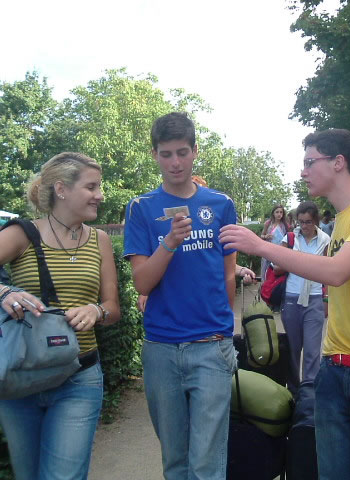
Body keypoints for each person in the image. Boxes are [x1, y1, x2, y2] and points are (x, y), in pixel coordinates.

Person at [220, 128, 350, 480]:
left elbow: (336, 272)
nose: (303, 171)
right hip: (336, 368)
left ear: (338, 162)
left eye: (310, 162)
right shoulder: (342, 219)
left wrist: (261, 246)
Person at [0, 152, 120, 479]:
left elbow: (113, 308)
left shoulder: (101, 241)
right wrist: (2, 293)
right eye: (91, 187)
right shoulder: (23, 234)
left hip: (79, 375)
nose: (100, 195)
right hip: (20, 376)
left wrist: (96, 310)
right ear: (62, 189)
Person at [123, 112, 238, 480]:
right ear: (154, 154)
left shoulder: (220, 204)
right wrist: (170, 242)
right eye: (166, 154)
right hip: (161, 347)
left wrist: (226, 332)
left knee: (207, 463)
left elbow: (228, 273)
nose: (175, 162)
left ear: (195, 151)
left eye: (182, 152)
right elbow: (142, 283)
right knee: (175, 461)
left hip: (211, 345)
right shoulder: (141, 208)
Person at [135, 175, 256, 314]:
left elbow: (212, 258)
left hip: (210, 313)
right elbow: (148, 269)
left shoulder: (218, 208)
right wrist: (146, 291)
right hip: (170, 312)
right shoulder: (151, 210)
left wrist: (240, 270)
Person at [273, 200, 330, 394]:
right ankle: (293, 392)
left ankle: (309, 395)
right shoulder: (290, 238)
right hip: (291, 297)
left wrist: (326, 299)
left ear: (316, 221)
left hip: (314, 298)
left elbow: (329, 272)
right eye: (301, 222)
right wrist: (298, 262)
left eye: (308, 222)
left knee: (312, 351)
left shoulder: (325, 241)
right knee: (293, 349)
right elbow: (276, 266)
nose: (304, 226)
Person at [260, 204, 290, 280]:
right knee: (266, 273)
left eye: (281, 212)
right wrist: (266, 236)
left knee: (277, 275)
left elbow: (289, 238)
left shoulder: (285, 225)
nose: (279, 214)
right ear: (273, 213)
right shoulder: (268, 223)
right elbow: (261, 236)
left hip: (280, 253)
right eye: (277, 212)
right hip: (268, 252)